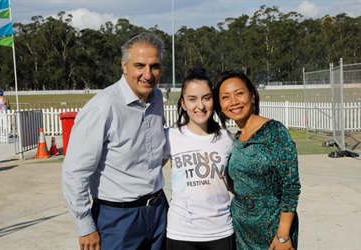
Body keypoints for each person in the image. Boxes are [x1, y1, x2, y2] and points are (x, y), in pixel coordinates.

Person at [62, 32, 169, 250]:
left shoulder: (157, 99)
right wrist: (85, 226)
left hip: (159, 211)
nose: (148, 74)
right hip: (117, 219)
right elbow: (75, 172)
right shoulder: (103, 107)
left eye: (154, 66)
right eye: (140, 65)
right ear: (124, 66)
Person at [214, 70, 301, 250]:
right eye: (225, 97)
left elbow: (291, 186)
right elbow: (237, 182)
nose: (234, 102)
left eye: (239, 93)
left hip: (273, 229)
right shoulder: (236, 139)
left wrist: (283, 235)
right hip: (240, 228)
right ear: (220, 105)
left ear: (252, 96)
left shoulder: (275, 131)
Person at [163, 67, 236, 250]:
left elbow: (234, 183)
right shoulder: (170, 136)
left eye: (206, 98)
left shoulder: (226, 139)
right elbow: (147, 172)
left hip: (220, 231)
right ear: (183, 103)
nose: (200, 106)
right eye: (192, 99)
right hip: (181, 233)